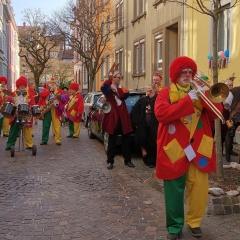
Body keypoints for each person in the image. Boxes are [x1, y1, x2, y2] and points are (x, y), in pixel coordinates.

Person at [154, 56, 223, 240]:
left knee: (199, 189)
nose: (187, 75)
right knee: (174, 191)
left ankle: (194, 222)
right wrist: (186, 101)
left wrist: (206, 93)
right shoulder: (165, 93)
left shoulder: (200, 92)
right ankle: (175, 227)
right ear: (175, 74)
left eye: (190, 72)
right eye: (183, 72)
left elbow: (217, 113)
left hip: (199, 148)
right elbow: (161, 114)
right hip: (176, 149)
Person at [101, 63, 135, 170]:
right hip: (113, 118)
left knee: (126, 140)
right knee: (112, 140)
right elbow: (104, 88)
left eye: (120, 77)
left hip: (123, 118)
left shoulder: (121, 89)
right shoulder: (108, 89)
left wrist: (115, 88)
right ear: (113, 78)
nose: (119, 79)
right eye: (117, 77)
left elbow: (123, 95)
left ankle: (127, 160)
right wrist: (109, 81)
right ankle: (110, 161)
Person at [130, 83, 158, 168]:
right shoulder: (142, 100)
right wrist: (136, 123)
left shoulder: (157, 99)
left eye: (150, 88)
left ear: (153, 90)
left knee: (153, 143)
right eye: (148, 88)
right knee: (144, 141)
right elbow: (134, 111)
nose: (148, 90)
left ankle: (153, 161)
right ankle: (147, 160)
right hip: (144, 126)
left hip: (154, 126)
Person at [5, 76, 36, 150]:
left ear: (25, 86)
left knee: (27, 130)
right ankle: (10, 144)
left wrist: (31, 108)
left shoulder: (29, 94)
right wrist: (10, 99)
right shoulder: (14, 94)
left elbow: (33, 103)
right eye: (20, 86)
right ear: (18, 86)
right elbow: (9, 101)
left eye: (23, 86)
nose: (22, 87)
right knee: (13, 130)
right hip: (16, 115)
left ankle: (29, 144)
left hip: (26, 115)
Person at [38, 77, 65, 145]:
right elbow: (42, 95)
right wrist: (49, 91)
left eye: (53, 83)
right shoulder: (45, 90)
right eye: (50, 83)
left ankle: (58, 140)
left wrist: (57, 95)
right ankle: (44, 140)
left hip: (55, 109)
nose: (52, 84)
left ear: (55, 84)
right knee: (46, 125)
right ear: (48, 84)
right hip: (47, 109)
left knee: (57, 125)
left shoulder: (59, 90)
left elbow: (65, 97)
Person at [223, 84, 240, 162]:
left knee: (229, 135)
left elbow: (226, 104)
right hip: (236, 115)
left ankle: (228, 155)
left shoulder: (234, 90)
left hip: (234, 115)